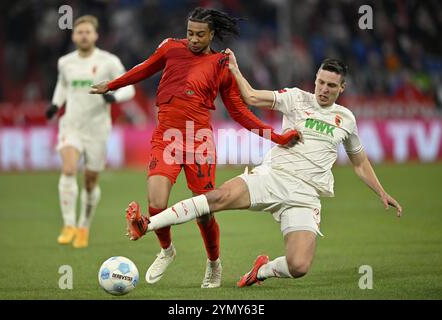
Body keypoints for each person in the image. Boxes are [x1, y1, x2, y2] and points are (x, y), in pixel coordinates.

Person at [124, 50, 403, 287]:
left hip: (306, 196)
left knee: (299, 266)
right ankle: (148, 225)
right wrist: (234, 69)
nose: (323, 89)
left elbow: (360, 161)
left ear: (342, 88)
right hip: (273, 176)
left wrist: (382, 191)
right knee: (216, 198)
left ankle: (262, 270)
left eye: (331, 86)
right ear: (315, 79)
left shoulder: (347, 119)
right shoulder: (295, 98)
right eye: (320, 82)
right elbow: (252, 97)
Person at [90, 7, 299, 288]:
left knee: (203, 211)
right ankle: (166, 251)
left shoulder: (222, 65)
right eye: (190, 33)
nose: (193, 39)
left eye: (200, 34)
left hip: (199, 141)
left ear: (212, 34)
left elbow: (238, 111)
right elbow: (144, 68)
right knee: (156, 202)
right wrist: (113, 85)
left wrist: (277, 136)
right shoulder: (170, 47)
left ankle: (213, 264)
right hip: (167, 136)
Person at [48, 15, 135, 248]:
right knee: (68, 169)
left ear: (95, 35)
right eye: (79, 32)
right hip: (71, 125)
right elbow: (63, 86)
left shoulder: (109, 61)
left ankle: (84, 226)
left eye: (88, 32)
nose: (83, 35)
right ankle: (68, 225)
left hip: (97, 129)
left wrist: (114, 96)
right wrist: (56, 105)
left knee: (90, 182)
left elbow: (130, 88)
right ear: (74, 35)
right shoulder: (65, 62)